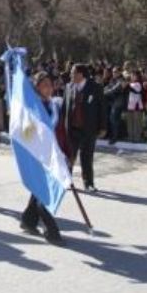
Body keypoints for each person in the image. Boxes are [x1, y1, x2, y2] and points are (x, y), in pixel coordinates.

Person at [21, 71, 67, 246]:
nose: (49, 88)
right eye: (44, 85)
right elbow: (27, 133)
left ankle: (28, 220)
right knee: (45, 192)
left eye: (50, 84)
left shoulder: (54, 106)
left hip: (55, 155)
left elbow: (61, 131)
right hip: (39, 156)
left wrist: (66, 152)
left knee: (41, 190)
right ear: (37, 87)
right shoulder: (33, 108)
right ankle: (51, 230)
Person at [62, 64, 106, 193]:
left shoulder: (95, 88)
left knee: (87, 157)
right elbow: (64, 108)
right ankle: (67, 180)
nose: (71, 75)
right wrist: (61, 126)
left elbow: (102, 108)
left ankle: (89, 183)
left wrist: (103, 127)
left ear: (81, 74)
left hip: (88, 128)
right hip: (71, 128)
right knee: (69, 156)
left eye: (73, 72)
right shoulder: (68, 87)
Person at [104, 67, 127, 145]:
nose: (114, 73)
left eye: (116, 72)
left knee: (113, 119)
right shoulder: (113, 80)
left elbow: (115, 89)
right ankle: (114, 135)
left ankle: (115, 137)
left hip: (119, 103)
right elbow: (108, 87)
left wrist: (105, 93)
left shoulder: (121, 80)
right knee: (113, 120)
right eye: (113, 72)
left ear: (120, 72)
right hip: (113, 102)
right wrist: (104, 91)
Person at [125, 71, 145, 143]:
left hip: (136, 106)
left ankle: (137, 137)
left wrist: (127, 85)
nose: (132, 77)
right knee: (130, 122)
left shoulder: (138, 84)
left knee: (137, 122)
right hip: (129, 105)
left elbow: (136, 91)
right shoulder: (130, 84)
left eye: (134, 75)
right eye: (132, 75)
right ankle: (130, 136)